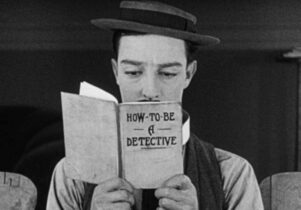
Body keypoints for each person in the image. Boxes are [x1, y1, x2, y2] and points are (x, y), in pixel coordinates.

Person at [46, 1, 264, 210]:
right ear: (116, 72)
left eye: (168, 73)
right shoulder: (71, 175)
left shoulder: (232, 174)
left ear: (188, 74)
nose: (150, 91)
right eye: (133, 72)